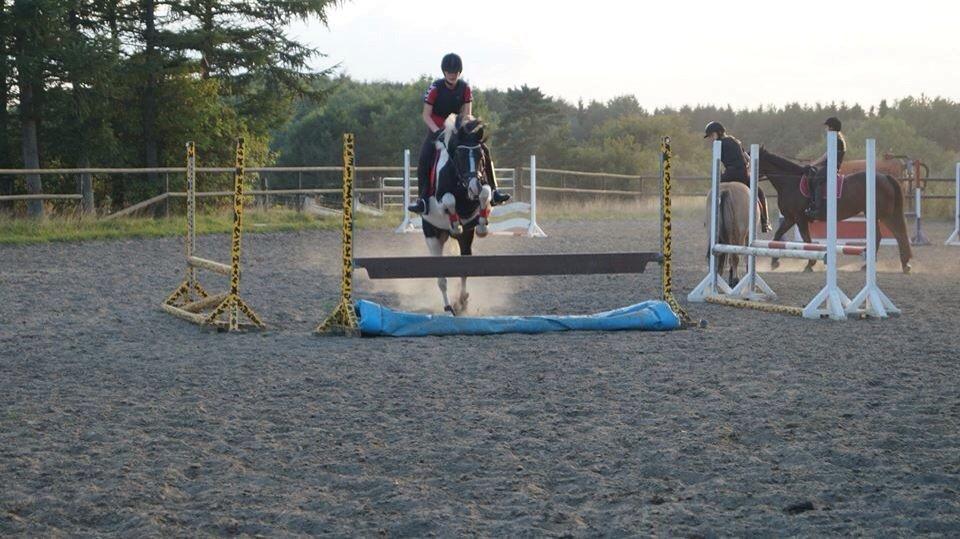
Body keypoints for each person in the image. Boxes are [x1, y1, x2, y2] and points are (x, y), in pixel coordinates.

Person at [408, 53, 509, 214]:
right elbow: (426, 115)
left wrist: (468, 126)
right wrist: (437, 131)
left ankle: (495, 191)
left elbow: (467, 114)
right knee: (424, 157)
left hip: (457, 129)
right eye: (449, 72)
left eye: (455, 72)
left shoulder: (465, 88)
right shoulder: (435, 89)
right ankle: (422, 200)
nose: (452, 75)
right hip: (437, 128)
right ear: (444, 72)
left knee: (484, 150)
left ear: (459, 73)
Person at [704, 121, 771, 232]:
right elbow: (748, 159)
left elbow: (718, 164)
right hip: (742, 174)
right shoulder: (735, 141)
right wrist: (748, 167)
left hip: (729, 174)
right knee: (760, 193)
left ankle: (709, 220)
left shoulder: (718, 144)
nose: (711, 138)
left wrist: (720, 176)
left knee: (714, 193)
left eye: (712, 135)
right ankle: (765, 222)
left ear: (719, 132)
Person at [804, 117, 846, 219]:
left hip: (832, 167)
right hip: (830, 166)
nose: (826, 129)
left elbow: (825, 157)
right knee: (813, 175)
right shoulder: (837, 139)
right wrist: (813, 163)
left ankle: (817, 209)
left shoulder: (836, 140)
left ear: (831, 128)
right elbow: (825, 156)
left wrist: (813, 164)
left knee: (816, 180)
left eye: (827, 127)